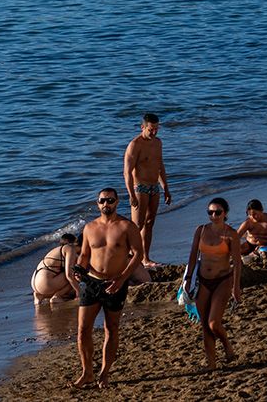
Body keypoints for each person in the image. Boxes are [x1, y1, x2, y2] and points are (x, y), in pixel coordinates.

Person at [73, 188, 143, 388]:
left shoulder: (127, 226)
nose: (106, 204)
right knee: (82, 330)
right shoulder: (89, 228)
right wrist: (79, 268)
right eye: (102, 200)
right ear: (97, 204)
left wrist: (122, 279)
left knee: (111, 328)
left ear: (117, 202)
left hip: (116, 282)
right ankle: (87, 373)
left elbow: (138, 254)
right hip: (91, 282)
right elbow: (85, 254)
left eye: (110, 200)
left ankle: (104, 373)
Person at [184, 196, 244, 367]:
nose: (214, 215)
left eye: (218, 212)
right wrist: (188, 279)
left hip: (222, 281)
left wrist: (236, 287)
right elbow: (193, 255)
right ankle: (211, 363)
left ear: (225, 213)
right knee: (204, 325)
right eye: (210, 212)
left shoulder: (231, 234)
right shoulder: (201, 230)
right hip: (203, 281)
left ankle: (227, 345)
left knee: (213, 323)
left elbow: (237, 262)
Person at [123, 113, 169, 264]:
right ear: (142, 127)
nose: (154, 132)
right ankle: (130, 258)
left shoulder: (158, 143)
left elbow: (160, 166)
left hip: (154, 187)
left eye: (156, 129)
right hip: (140, 187)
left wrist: (166, 188)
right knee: (137, 226)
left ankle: (145, 258)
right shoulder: (135, 145)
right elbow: (127, 172)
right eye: (151, 129)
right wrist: (131, 194)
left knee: (150, 223)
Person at [30, 231, 80, 304]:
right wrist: (78, 292)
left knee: (69, 276)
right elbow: (69, 275)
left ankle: (40, 295)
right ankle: (57, 296)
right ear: (74, 243)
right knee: (75, 273)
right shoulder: (70, 248)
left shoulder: (57, 250)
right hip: (46, 282)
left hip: (35, 283)